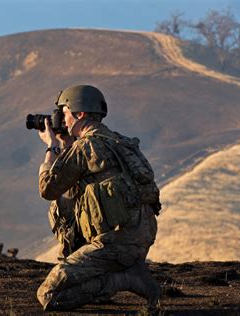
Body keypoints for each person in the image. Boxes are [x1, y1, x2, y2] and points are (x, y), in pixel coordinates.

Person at [36, 85, 161, 312]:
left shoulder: (86, 146)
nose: (61, 121)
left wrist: (52, 148)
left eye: (64, 114)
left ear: (79, 114)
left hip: (115, 244)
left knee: (49, 295)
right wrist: (66, 145)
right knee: (69, 201)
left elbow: (48, 189)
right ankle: (119, 273)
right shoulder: (119, 141)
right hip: (139, 238)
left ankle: (125, 279)